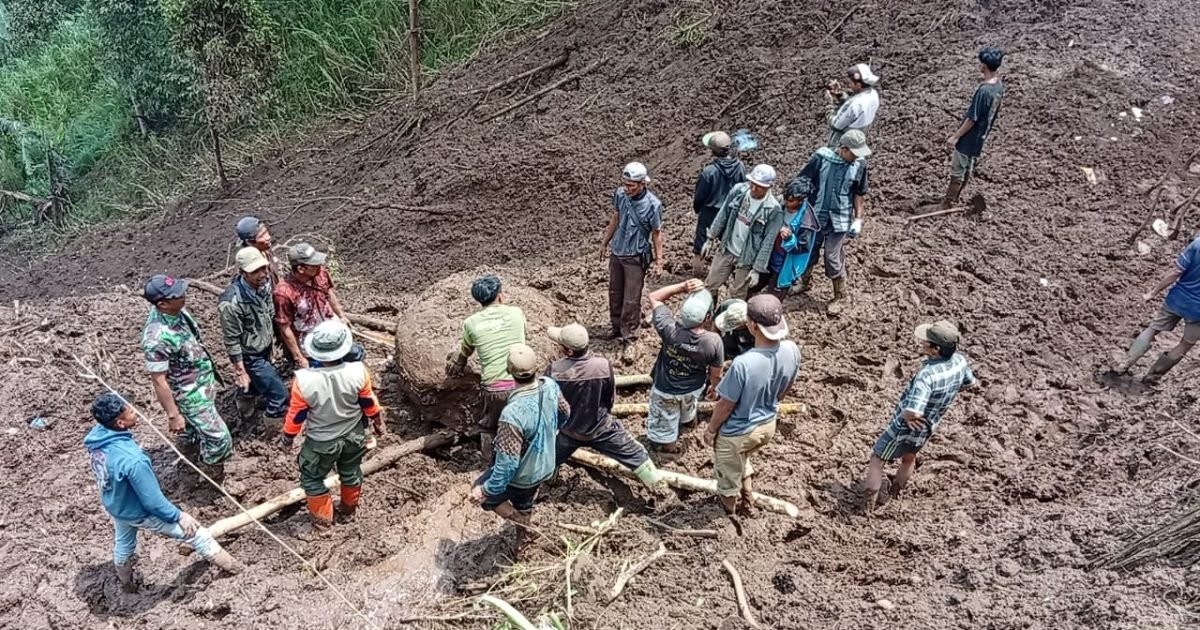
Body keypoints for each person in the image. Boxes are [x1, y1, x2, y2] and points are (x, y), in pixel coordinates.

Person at [85, 392, 241, 593]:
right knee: (198, 535)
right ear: (120, 423)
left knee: (123, 546)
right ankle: (238, 571)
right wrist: (179, 516)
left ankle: (127, 586)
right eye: (131, 412)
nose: (136, 413)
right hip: (139, 512)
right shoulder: (133, 460)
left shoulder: (98, 438)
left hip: (117, 506)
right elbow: (152, 502)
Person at [701, 294, 800, 515]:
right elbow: (787, 387)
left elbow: (725, 405)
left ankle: (728, 510)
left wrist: (711, 430)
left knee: (727, 475)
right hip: (767, 424)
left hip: (737, 431)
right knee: (742, 457)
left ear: (753, 325)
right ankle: (748, 499)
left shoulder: (743, 363)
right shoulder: (792, 349)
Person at [279, 320, 384, 527]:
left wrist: (287, 438)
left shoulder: (304, 381)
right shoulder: (358, 371)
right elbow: (368, 402)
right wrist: (378, 422)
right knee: (351, 471)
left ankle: (323, 522)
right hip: (354, 435)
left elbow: (297, 416)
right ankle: (348, 511)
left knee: (312, 479)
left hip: (321, 442)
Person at [864, 321, 976, 513]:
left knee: (877, 459)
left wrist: (908, 416)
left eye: (927, 341)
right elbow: (970, 383)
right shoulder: (960, 361)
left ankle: (866, 509)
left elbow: (914, 410)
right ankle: (895, 493)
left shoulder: (927, 376)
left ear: (936, 349)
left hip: (906, 427)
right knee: (909, 457)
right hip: (929, 425)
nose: (923, 343)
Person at [545, 323, 664, 489]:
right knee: (637, 456)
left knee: (546, 460)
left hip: (568, 431)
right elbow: (609, 399)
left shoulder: (554, 371)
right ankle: (660, 489)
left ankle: (549, 480)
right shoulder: (603, 365)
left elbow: (549, 404)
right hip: (602, 428)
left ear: (569, 351)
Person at [141, 274, 232, 472]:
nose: (183, 295)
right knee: (220, 439)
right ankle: (210, 472)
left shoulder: (178, 311)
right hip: (190, 395)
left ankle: (189, 448)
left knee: (193, 431)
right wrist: (173, 415)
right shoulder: (157, 337)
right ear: (163, 304)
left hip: (202, 383)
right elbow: (158, 380)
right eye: (177, 295)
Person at [470, 344, 566, 529]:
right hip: (546, 465)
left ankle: (523, 524)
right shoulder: (550, 385)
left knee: (485, 493)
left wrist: (485, 490)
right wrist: (551, 430)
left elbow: (507, 465)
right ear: (536, 368)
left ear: (509, 371)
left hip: (523, 476)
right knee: (525, 499)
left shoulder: (512, 414)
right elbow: (565, 412)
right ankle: (524, 521)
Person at [446, 274, 527, 464]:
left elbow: (466, 350)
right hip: (521, 383)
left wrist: (458, 363)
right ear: (500, 295)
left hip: (494, 388)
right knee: (524, 423)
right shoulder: (516, 313)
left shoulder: (471, 323)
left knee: (489, 426)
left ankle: (488, 464)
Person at [790, 130, 871, 313]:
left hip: (840, 218)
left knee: (832, 256)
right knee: (808, 250)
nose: (857, 156)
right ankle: (804, 281)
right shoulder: (821, 158)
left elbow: (859, 193)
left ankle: (841, 295)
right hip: (815, 216)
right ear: (843, 148)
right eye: (854, 152)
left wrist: (858, 219)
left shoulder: (859, 164)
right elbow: (803, 180)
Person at [645, 279, 724, 453]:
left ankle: (669, 450)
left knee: (665, 423)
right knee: (688, 406)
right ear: (707, 317)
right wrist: (714, 388)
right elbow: (716, 374)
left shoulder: (669, 329)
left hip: (665, 389)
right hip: (693, 388)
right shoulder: (713, 341)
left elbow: (654, 297)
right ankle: (688, 423)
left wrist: (682, 287)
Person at [219, 247, 288, 422]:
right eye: (255, 271)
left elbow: (271, 314)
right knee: (279, 395)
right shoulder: (232, 303)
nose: (262, 274)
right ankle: (274, 426)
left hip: (264, 347)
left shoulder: (264, 286)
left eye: (263, 268)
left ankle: (247, 397)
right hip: (250, 354)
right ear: (243, 273)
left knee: (259, 383)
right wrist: (240, 371)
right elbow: (232, 340)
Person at [1119, 236, 1200, 383]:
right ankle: (1152, 377)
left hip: (1176, 299)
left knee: (1152, 329)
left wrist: (1153, 292)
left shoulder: (1197, 243)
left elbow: (1176, 272)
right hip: (1197, 313)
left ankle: (1124, 363)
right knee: (1184, 345)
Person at [600, 162, 665, 344]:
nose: (627, 188)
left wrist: (659, 261)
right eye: (625, 184)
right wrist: (605, 242)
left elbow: (657, 233)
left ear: (642, 183)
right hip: (618, 251)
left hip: (636, 255)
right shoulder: (620, 195)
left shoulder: (653, 205)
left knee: (631, 297)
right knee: (615, 292)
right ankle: (615, 327)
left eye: (631, 185)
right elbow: (616, 217)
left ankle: (630, 332)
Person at [700, 164, 785, 299]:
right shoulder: (739, 192)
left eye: (759, 186)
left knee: (738, 295)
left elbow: (767, 242)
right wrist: (710, 238)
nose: (754, 188)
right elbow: (723, 214)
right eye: (752, 183)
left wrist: (757, 269)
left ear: (769, 187)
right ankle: (710, 311)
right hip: (727, 249)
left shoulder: (773, 210)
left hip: (747, 258)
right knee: (710, 286)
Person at [274, 242, 353, 369]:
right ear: (301, 269)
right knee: (323, 372)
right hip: (310, 341)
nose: (319, 265)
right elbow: (284, 327)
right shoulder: (284, 292)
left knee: (353, 355)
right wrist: (299, 357)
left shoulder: (321, 273)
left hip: (331, 328)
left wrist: (341, 315)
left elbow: (329, 293)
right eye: (314, 264)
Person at [943, 47, 1005, 209]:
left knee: (958, 169)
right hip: (981, 136)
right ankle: (956, 197)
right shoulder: (998, 86)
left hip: (969, 137)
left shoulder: (984, 91)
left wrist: (956, 136)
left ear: (984, 65)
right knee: (968, 167)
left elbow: (972, 118)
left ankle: (948, 202)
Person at [749, 180, 819, 296]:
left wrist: (789, 238)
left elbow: (803, 247)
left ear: (801, 200)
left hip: (785, 264)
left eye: (790, 201)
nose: (786, 202)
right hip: (768, 256)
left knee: (773, 298)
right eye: (785, 198)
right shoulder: (779, 204)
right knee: (750, 287)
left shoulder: (806, 222)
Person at [692, 132, 747, 278]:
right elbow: (744, 189)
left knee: (701, 241)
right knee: (729, 242)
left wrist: (698, 209)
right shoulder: (740, 167)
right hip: (731, 211)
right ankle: (729, 274)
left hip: (709, 211)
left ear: (713, 151)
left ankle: (698, 274)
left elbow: (700, 196)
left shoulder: (709, 172)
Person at [825, 63, 881, 147]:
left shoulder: (855, 104)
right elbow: (854, 108)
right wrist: (840, 94)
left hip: (843, 146)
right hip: (858, 140)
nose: (849, 85)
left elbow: (835, 125)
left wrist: (829, 104)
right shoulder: (874, 94)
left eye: (850, 82)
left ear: (858, 85)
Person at [235, 216, 280, 286]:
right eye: (261, 236)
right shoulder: (247, 263)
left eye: (266, 232)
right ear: (249, 242)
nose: (268, 237)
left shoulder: (264, 247)